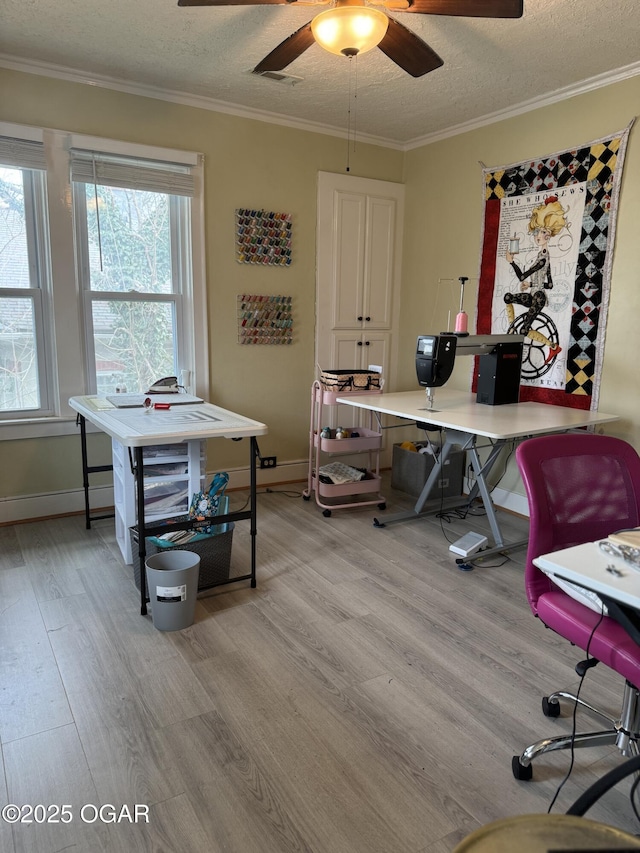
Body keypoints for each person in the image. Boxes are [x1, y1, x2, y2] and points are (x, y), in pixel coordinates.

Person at [504, 196, 567, 364]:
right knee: (508, 297)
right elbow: (550, 284)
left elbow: (522, 275)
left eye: (543, 232)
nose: (538, 235)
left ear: (549, 235)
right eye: (537, 231)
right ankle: (512, 331)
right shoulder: (543, 256)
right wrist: (531, 284)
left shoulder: (543, 258)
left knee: (525, 328)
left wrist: (512, 262)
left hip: (538, 298)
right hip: (534, 293)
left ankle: (552, 346)